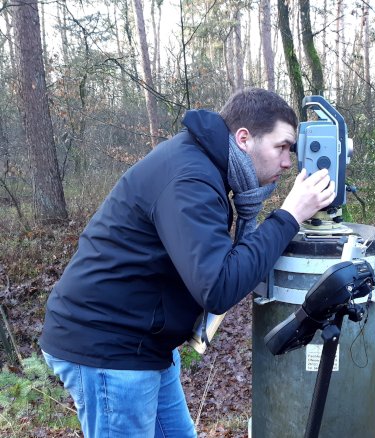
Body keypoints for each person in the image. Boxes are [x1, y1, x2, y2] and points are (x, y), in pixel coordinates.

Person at [39, 88, 335, 437]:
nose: (288, 163)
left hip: (146, 344)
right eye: (282, 147)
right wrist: (289, 216)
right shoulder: (190, 179)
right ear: (244, 139)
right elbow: (219, 286)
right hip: (108, 348)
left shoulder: (203, 167)